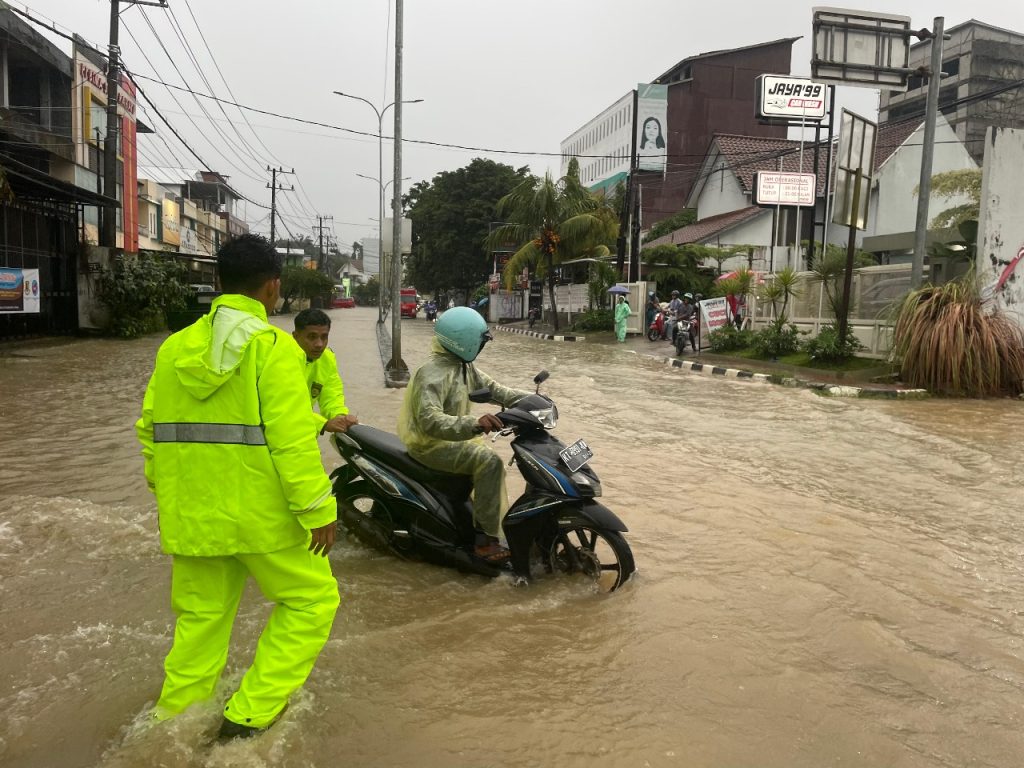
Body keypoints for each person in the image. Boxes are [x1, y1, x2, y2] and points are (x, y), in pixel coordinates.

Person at [135, 234, 340, 741]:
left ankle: (172, 723)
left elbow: (150, 433)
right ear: (273, 288)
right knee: (313, 600)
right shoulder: (272, 349)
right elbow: (293, 441)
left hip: (194, 515)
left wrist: (171, 496)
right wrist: (318, 509)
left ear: (218, 281)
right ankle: (248, 714)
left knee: (200, 620)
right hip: (262, 516)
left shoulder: (173, 347)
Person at [397, 307, 530, 562]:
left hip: (454, 441)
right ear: (465, 340)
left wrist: (533, 400)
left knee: (486, 457)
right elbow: (430, 421)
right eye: (479, 342)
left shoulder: (462, 366)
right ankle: (484, 540)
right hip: (429, 446)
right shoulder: (432, 373)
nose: (481, 347)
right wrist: (475, 423)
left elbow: (494, 390)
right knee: (489, 462)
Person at [292, 308, 358, 434]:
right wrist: (322, 424)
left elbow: (332, 395)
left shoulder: (327, 359)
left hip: (303, 435)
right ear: (295, 336)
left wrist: (340, 416)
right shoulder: (282, 359)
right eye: (312, 337)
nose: (319, 344)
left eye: (324, 337)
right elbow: (286, 406)